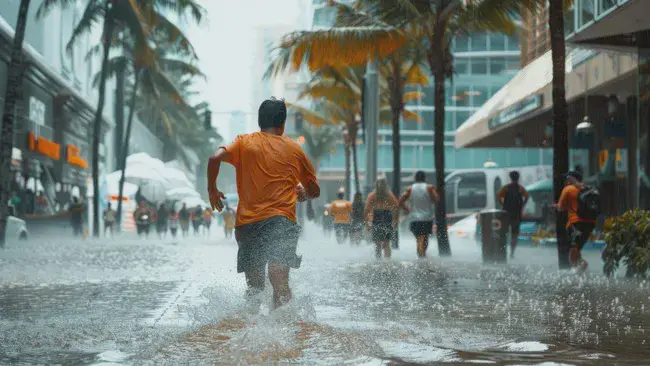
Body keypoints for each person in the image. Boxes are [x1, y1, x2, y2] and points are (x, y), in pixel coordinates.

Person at [207, 97, 320, 310]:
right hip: (281, 221)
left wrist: (212, 190)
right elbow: (315, 191)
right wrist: (303, 193)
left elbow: (214, 159)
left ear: (259, 121)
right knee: (280, 281)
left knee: (254, 288)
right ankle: (284, 332)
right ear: (283, 124)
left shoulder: (243, 142)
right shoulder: (295, 150)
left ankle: (251, 333)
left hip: (248, 224)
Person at [556, 170, 598, 274]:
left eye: (567, 178)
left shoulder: (568, 189)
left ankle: (577, 271)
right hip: (590, 223)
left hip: (576, 223)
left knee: (573, 249)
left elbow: (560, 208)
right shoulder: (588, 189)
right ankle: (581, 271)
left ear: (571, 179)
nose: (566, 181)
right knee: (577, 248)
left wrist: (559, 206)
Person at [399, 171, 439, 258]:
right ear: (425, 178)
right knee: (423, 239)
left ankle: (421, 256)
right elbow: (437, 199)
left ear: (415, 179)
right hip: (426, 218)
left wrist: (406, 209)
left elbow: (400, 201)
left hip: (414, 218)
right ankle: (421, 258)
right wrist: (432, 198)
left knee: (420, 239)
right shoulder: (429, 188)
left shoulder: (410, 189)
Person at [497, 171, 530, 259]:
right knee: (514, 234)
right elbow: (527, 196)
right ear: (518, 178)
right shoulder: (520, 188)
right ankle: (512, 253)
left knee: (503, 233)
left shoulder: (506, 188)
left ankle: (502, 251)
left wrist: (502, 205)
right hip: (517, 214)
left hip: (506, 214)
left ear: (510, 178)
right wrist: (522, 205)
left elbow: (498, 196)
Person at [365, 177, 399, 259]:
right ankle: (387, 262)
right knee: (387, 242)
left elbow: (366, 210)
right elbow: (396, 208)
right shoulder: (390, 195)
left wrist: (367, 224)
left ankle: (378, 262)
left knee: (377, 243)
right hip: (387, 216)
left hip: (377, 217)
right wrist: (395, 220)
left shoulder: (372, 196)